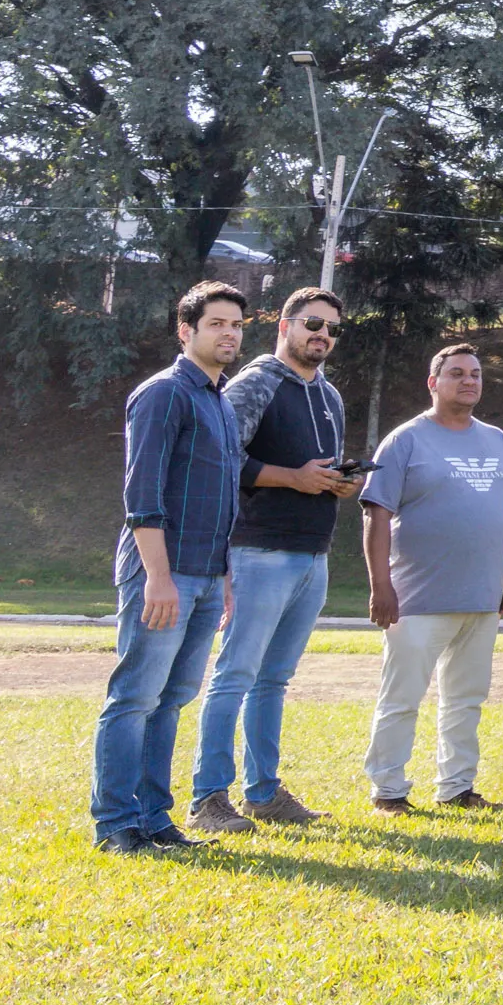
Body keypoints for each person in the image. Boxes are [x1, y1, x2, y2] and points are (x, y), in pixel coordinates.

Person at [189, 284, 360, 834]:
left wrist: (337, 483)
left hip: (314, 552)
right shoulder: (256, 383)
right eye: (311, 324)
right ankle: (209, 798)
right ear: (284, 325)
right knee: (235, 674)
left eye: (331, 328)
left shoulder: (330, 396)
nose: (322, 336)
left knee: (274, 680)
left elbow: (315, 468)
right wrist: (293, 478)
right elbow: (219, 458)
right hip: (257, 548)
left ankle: (263, 792)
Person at [90, 281, 249, 854]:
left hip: (207, 576)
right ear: (186, 331)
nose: (229, 333)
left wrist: (226, 579)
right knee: (134, 697)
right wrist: (158, 578)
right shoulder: (163, 394)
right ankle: (115, 825)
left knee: (171, 699)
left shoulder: (220, 401)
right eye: (216, 324)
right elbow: (143, 495)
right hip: (163, 573)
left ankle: (155, 820)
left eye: (236, 324)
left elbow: (224, 497)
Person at [359, 342, 503, 813]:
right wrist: (380, 585)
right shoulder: (406, 440)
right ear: (433, 383)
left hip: (480, 596)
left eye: (475, 373)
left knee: (466, 699)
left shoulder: (496, 439)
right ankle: (389, 790)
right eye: (457, 373)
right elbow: (376, 515)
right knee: (402, 698)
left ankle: (456, 787)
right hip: (415, 598)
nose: (469, 381)